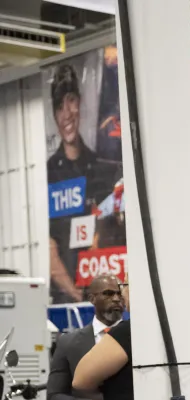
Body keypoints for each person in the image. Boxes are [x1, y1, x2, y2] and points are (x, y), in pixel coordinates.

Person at [46, 63, 117, 304]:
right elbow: (49, 247)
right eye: (59, 106)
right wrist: (76, 294)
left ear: (80, 103)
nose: (66, 113)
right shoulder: (47, 174)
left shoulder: (102, 169)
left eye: (71, 101)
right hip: (65, 302)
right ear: (54, 114)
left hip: (100, 296)